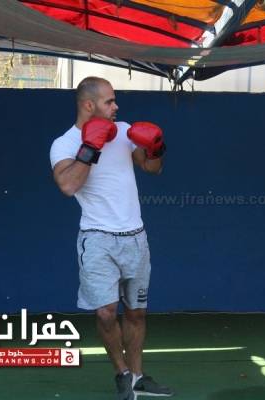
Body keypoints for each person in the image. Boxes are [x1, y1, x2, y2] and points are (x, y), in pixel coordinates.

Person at [49, 76, 172, 400]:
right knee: (105, 312)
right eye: (109, 101)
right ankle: (122, 374)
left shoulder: (124, 132)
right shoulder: (64, 143)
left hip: (135, 237)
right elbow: (68, 186)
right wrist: (91, 148)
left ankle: (138, 377)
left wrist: (156, 147)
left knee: (136, 312)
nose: (116, 107)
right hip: (97, 238)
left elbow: (152, 168)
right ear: (89, 105)